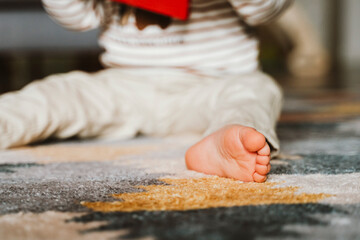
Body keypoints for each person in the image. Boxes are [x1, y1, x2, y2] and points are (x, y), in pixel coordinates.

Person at [0, 0, 292, 182]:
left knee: (257, 89)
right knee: (62, 91)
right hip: (125, 84)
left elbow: (265, 10)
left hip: (211, 86)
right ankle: (7, 121)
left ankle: (227, 140)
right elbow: (79, 19)